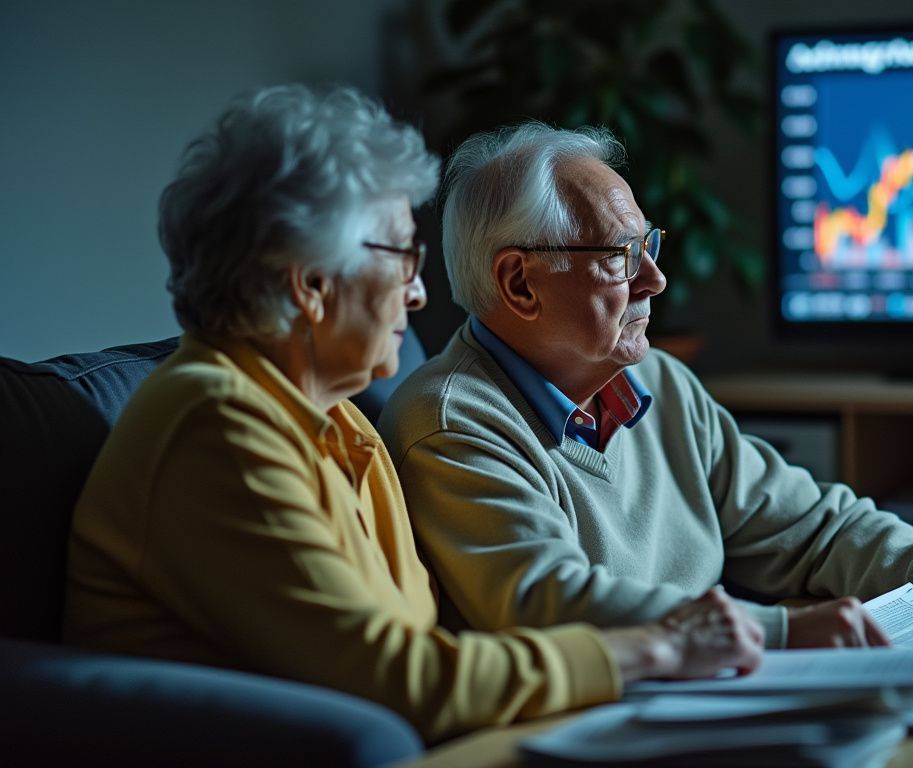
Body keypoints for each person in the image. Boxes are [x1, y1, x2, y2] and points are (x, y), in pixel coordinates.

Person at [62, 87, 763, 745]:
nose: (422, 294)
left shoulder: (338, 419)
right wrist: (662, 645)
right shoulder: (216, 426)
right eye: (402, 256)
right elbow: (404, 681)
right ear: (310, 286)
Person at [377, 123, 913, 650]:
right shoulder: (452, 425)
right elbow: (551, 605)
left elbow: (812, 527)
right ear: (519, 283)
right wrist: (781, 632)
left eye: (647, 246)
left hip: (705, 695)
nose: (655, 279)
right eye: (620, 258)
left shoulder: (658, 383)